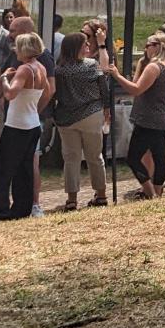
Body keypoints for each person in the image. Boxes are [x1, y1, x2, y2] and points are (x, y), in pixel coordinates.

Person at [0, 32, 52, 221]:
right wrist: (35, 108)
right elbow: (48, 92)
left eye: (17, 46)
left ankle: (0, 211)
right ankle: (22, 208)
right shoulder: (41, 67)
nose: (14, 50)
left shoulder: (25, 69)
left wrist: (3, 79)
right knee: (25, 169)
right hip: (32, 123)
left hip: (16, 125)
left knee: (3, 169)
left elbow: (10, 94)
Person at [47, 31, 109, 209]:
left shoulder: (58, 70)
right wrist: (106, 108)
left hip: (66, 118)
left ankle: (72, 199)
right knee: (95, 157)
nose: (88, 46)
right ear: (78, 47)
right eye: (86, 44)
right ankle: (101, 195)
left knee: (71, 158)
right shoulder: (92, 65)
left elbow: (54, 94)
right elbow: (103, 86)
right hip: (91, 114)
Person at [119, 32, 165, 198]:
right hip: (163, 116)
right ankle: (157, 191)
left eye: (148, 45)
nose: (145, 48)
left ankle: (150, 190)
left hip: (148, 118)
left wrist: (117, 75)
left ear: (158, 46)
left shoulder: (155, 67)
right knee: (159, 155)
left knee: (133, 158)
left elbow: (136, 89)